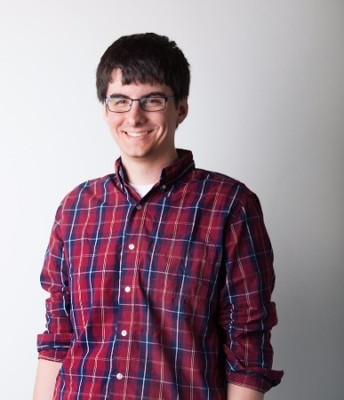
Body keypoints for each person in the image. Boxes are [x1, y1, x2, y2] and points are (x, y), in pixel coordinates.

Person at [33, 33, 283, 400]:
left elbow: (248, 343)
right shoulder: (75, 209)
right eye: (120, 100)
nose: (134, 117)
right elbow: (58, 337)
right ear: (105, 110)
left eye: (152, 100)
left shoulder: (230, 206)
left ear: (180, 108)